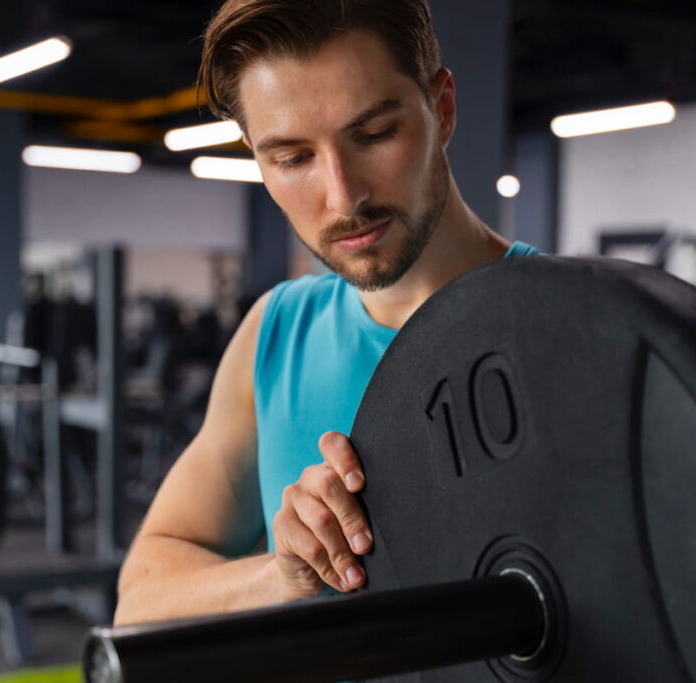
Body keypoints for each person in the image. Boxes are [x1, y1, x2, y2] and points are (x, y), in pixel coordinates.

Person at [113, 0, 537, 625]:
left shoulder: (574, 325)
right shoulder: (277, 330)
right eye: (293, 158)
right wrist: (285, 574)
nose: (343, 196)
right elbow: (142, 594)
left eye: (373, 134)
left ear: (441, 110)